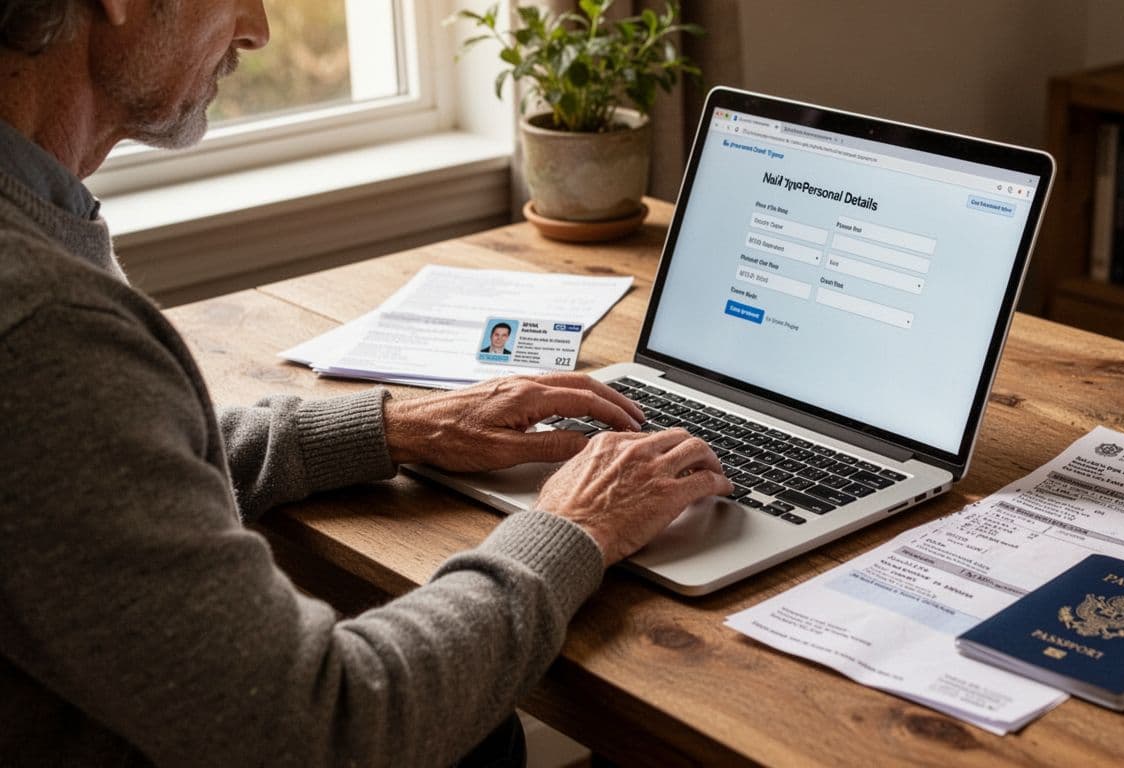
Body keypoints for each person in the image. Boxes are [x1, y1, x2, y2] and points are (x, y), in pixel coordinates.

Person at [0, 2, 730, 766]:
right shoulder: (45, 330)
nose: (257, 28)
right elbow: (334, 726)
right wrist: (576, 525)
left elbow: (112, 464)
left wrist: (394, 427)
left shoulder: (38, 262)